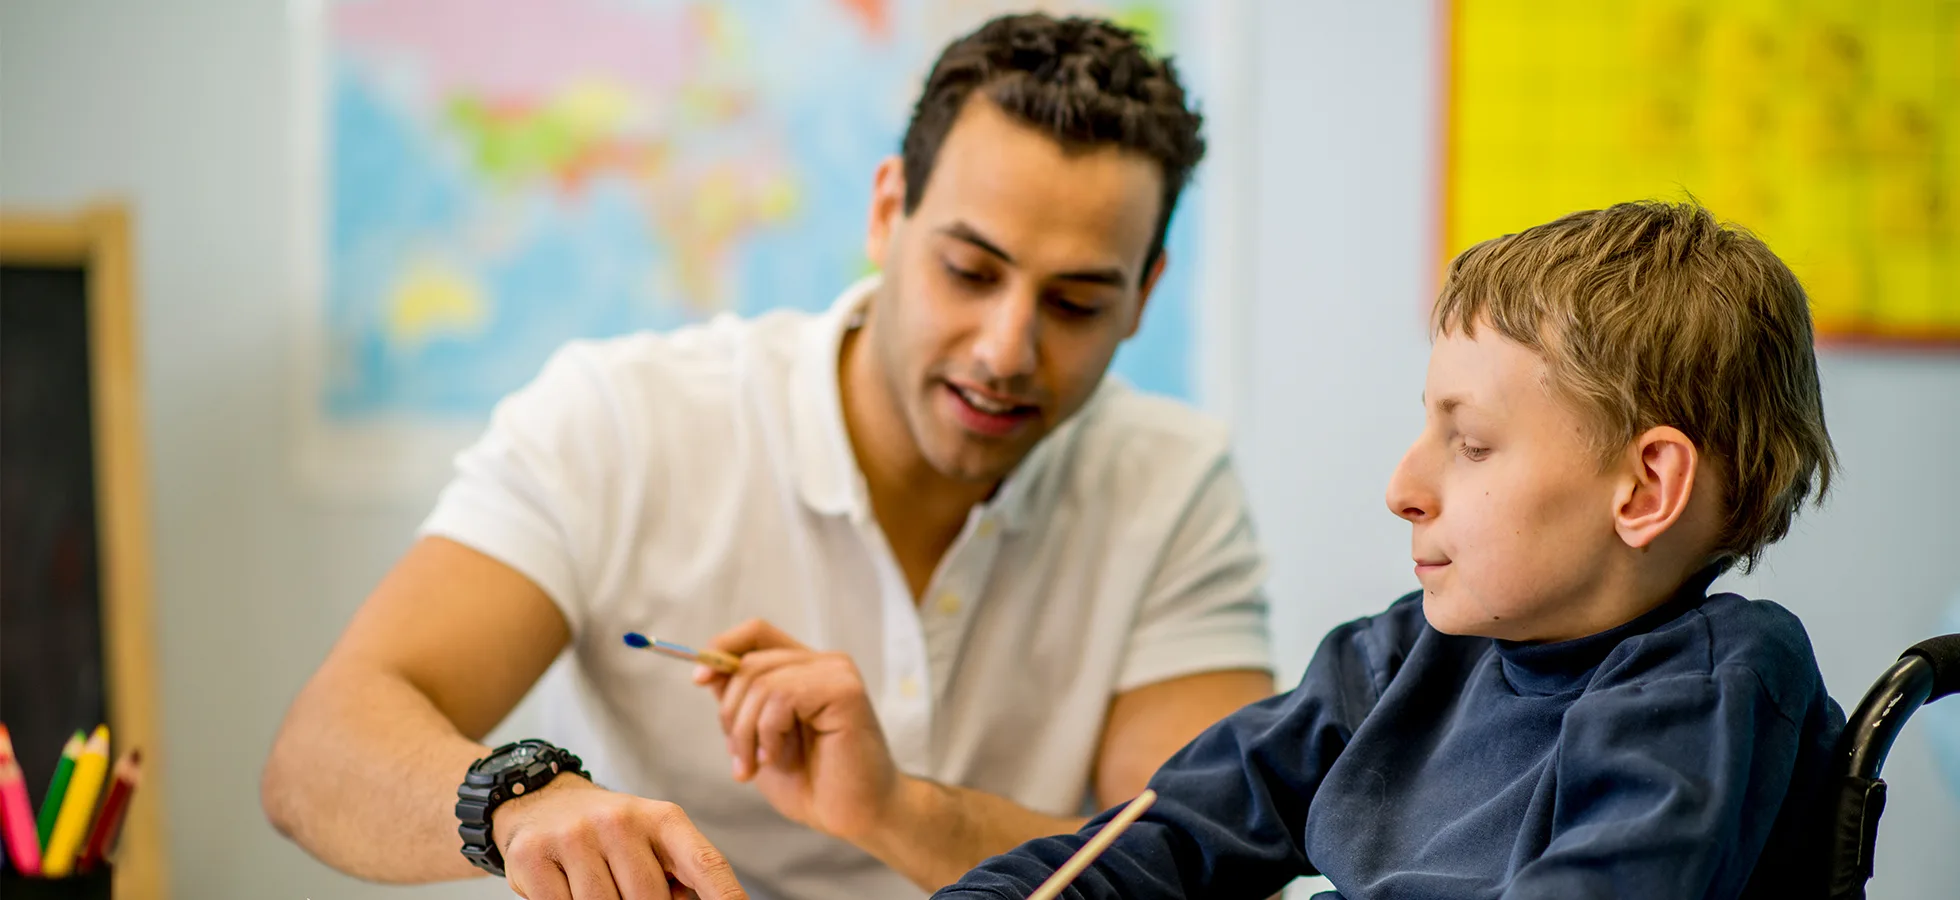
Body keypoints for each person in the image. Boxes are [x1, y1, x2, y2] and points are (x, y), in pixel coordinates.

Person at [261, 13, 1277, 900]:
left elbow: (1208, 866)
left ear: (1144, 295)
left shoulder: (1171, 486)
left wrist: (895, 810)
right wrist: (523, 800)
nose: (1004, 349)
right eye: (969, 271)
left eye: (1075, 304)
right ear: (887, 213)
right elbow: (318, 755)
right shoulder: (617, 421)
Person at [934, 200, 1848, 900]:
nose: (1402, 487)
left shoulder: (1712, 689)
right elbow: (1171, 829)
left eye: (1474, 444)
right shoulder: (1403, 654)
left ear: (1645, 489)